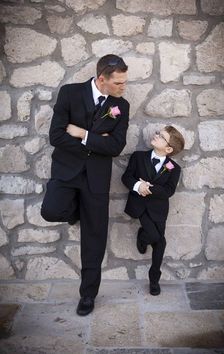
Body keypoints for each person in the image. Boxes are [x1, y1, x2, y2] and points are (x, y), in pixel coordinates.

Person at [41, 54, 129, 315]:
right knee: (51, 211)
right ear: (102, 79)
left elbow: (115, 146)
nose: (123, 88)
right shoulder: (69, 93)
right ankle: (75, 211)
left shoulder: (120, 106)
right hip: (66, 171)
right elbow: (55, 136)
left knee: (94, 237)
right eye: (119, 83)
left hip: (97, 179)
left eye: (125, 82)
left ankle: (88, 295)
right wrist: (94, 143)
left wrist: (82, 134)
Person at [122, 126, 185, 295]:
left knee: (158, 241)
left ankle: (153, 278)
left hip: (158, 210)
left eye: (161, 136)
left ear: (169, 149)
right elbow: (126, 177)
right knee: (159, 239)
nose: (156, 136)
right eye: (158, 133)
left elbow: (168, 191)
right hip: (140, 206)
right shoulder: (138, 157)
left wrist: (149, 187)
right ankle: (145, 241)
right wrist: (138, 185)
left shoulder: (174, 168)